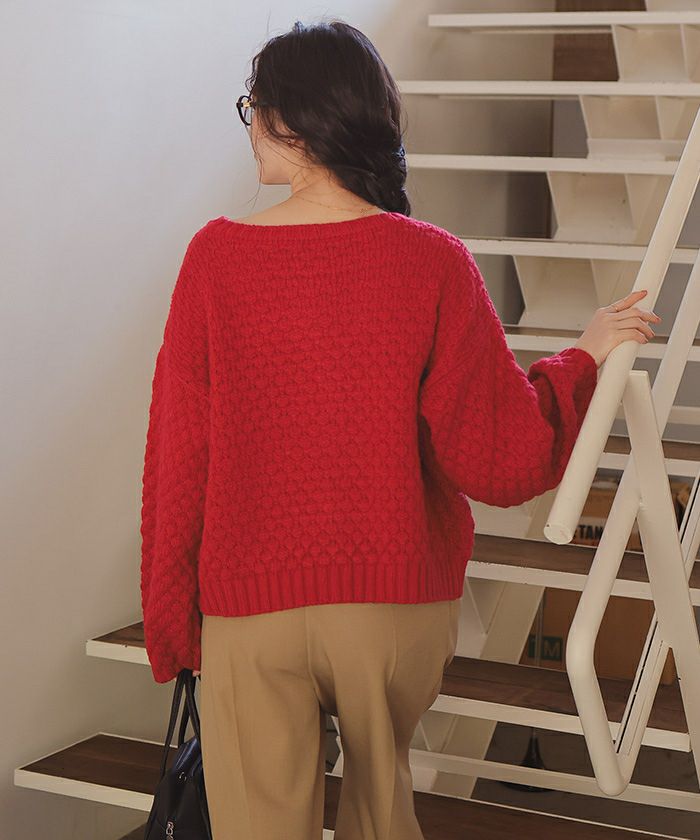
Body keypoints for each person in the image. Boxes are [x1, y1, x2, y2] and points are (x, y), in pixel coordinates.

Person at [138, 18, 661, 840]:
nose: (250, 125)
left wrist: (172, 620)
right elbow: (502, 455)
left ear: (295, 119)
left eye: (254, 107)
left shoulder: (214, 259)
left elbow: (180, 456)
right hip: (393, 609)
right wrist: (583, 358)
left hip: (251, 609)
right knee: (384, 814)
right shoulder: (433, 260)